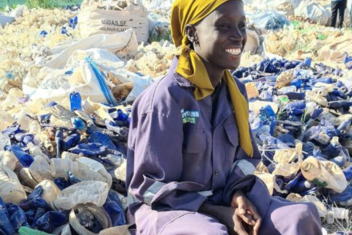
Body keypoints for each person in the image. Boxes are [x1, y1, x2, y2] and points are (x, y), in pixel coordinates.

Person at [126, 0, 323, 234]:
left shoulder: (235, 92)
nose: (238, 36)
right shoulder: (166, 98)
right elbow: (149, 188)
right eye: (224, 26)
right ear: (192, 33)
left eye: (241, 26)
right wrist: (218, 213)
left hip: (223, 199)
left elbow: (244, 161)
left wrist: (237, 197)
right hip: (169, 210)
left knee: (300, 217)